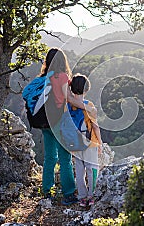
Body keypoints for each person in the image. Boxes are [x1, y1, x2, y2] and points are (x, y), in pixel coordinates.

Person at [40, 48, 91, 206]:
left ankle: (47, 191)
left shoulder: (43, 77)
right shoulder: (61, 77)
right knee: (65, 158)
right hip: (58, 122)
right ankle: (69, 194)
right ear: (62, 61)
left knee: (49, 158)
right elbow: (70, 99)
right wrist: (87, 107)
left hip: (44, 122)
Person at [68, 74, 103, 207]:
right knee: (92, 168)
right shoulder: (88, 105)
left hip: (74, 143)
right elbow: (95, 126)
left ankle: (81, 197)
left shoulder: (68, 105)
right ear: (86, 89)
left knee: (79, 169)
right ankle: (92, 195)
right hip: (89, 142)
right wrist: (99, 143)